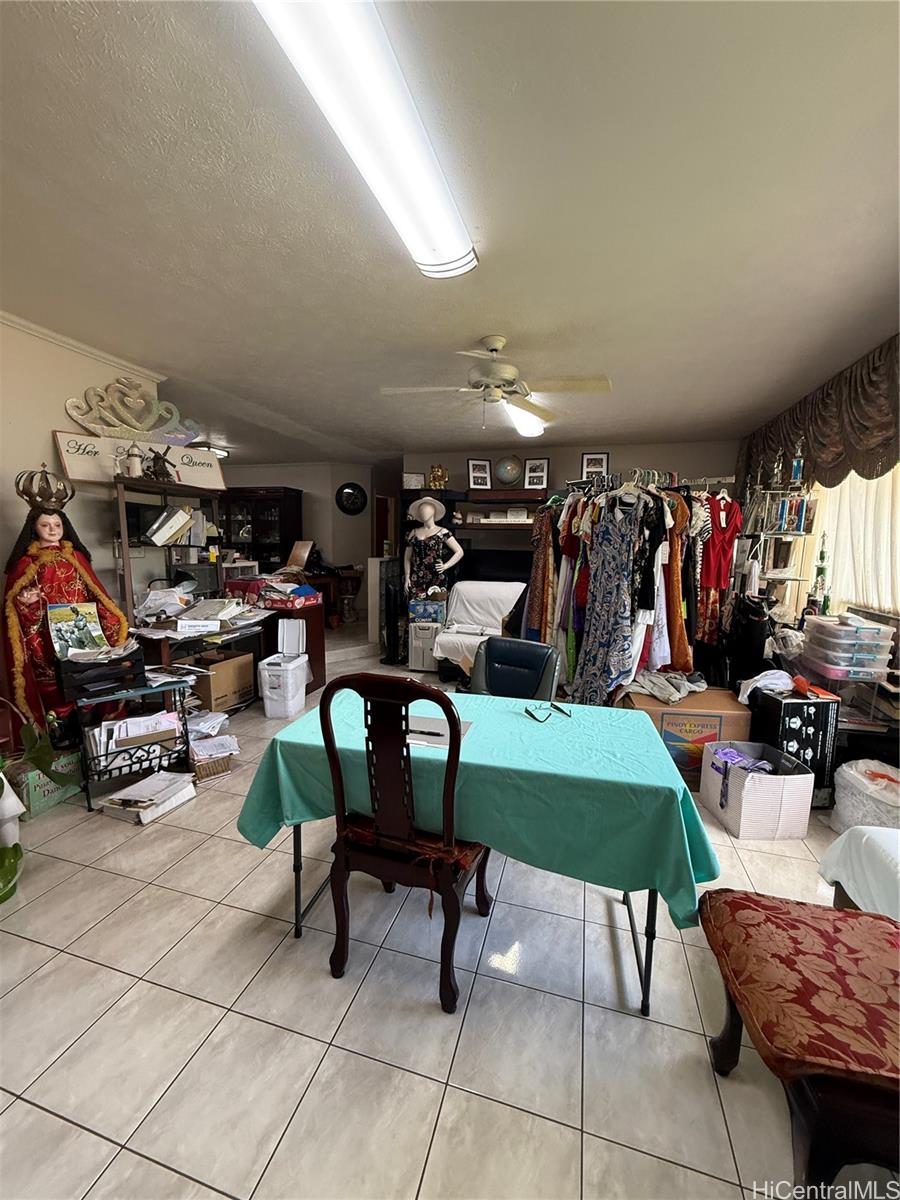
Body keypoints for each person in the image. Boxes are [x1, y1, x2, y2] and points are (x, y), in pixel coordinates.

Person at [3, 506, 128, 727]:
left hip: (82, 628)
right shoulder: (27, 563)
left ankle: (92, 729)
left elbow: (96, 593)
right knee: (57, 686)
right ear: (34, 528)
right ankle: (62, 735)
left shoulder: (77, 557)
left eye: (57, 525)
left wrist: (108, 616)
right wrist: (28, 604)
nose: (52, 530)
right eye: (45, 525)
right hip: (46, 636)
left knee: (89, 680)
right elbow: (14, 608)